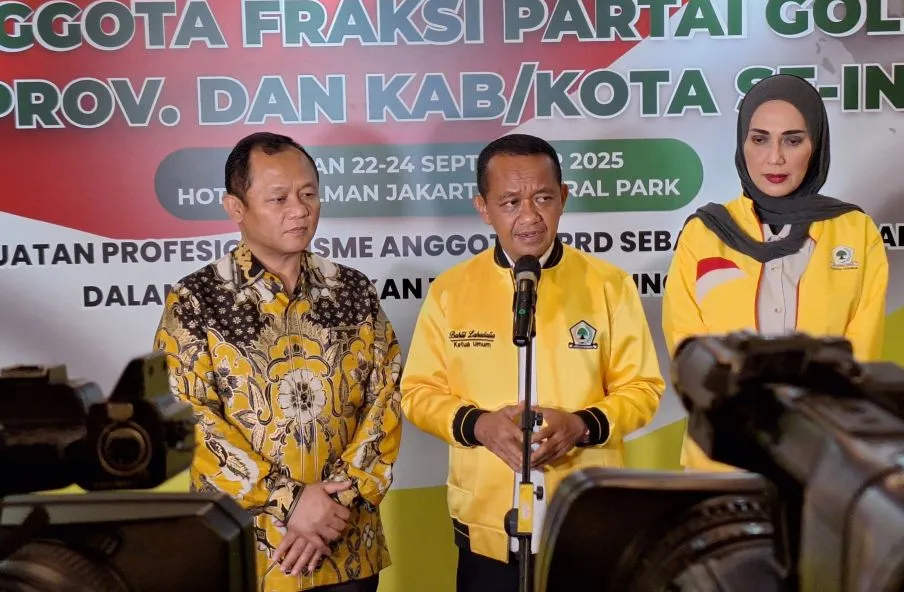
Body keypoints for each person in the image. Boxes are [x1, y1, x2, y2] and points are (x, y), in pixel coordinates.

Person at [401, 133, 666, 592]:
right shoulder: (451, 291)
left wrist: (581, 425)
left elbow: (642, 388)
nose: (529, 216)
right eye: (510, 202)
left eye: (543, 198)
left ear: (563, 197)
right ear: (483, 208)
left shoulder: (610, 286)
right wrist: (479, 425)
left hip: (585, 522)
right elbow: (418, 392)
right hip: (487, 528)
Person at [154, 132, 402, 592]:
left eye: (308, 194)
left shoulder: (353, 291)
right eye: (279, 198)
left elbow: (387, 398)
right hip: (246, 549)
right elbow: (188, 417)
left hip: (346, 543)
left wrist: (335, 502)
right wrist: (291, 500)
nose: (300, 209)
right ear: (236, 207)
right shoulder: (196, 300)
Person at [662, 73, 888, 472]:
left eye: (793, 140)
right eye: (760, 139)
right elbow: (689, 351)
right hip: (722, 454)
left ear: (816, 145)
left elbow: (860, 356)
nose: (775, 158)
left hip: (822, 456)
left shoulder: (855, 231)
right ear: (742, 144)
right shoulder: (705, 233)